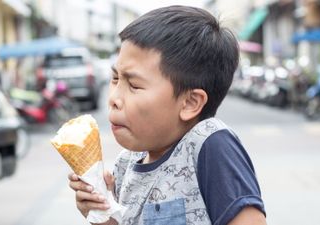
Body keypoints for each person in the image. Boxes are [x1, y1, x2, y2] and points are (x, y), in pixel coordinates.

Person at [69, 6, 266, 225]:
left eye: (134, 85)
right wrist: (102, 213)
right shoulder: (125, 164)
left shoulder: (209, 144)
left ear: (190, 103)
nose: (114, 97)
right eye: (115, 79)